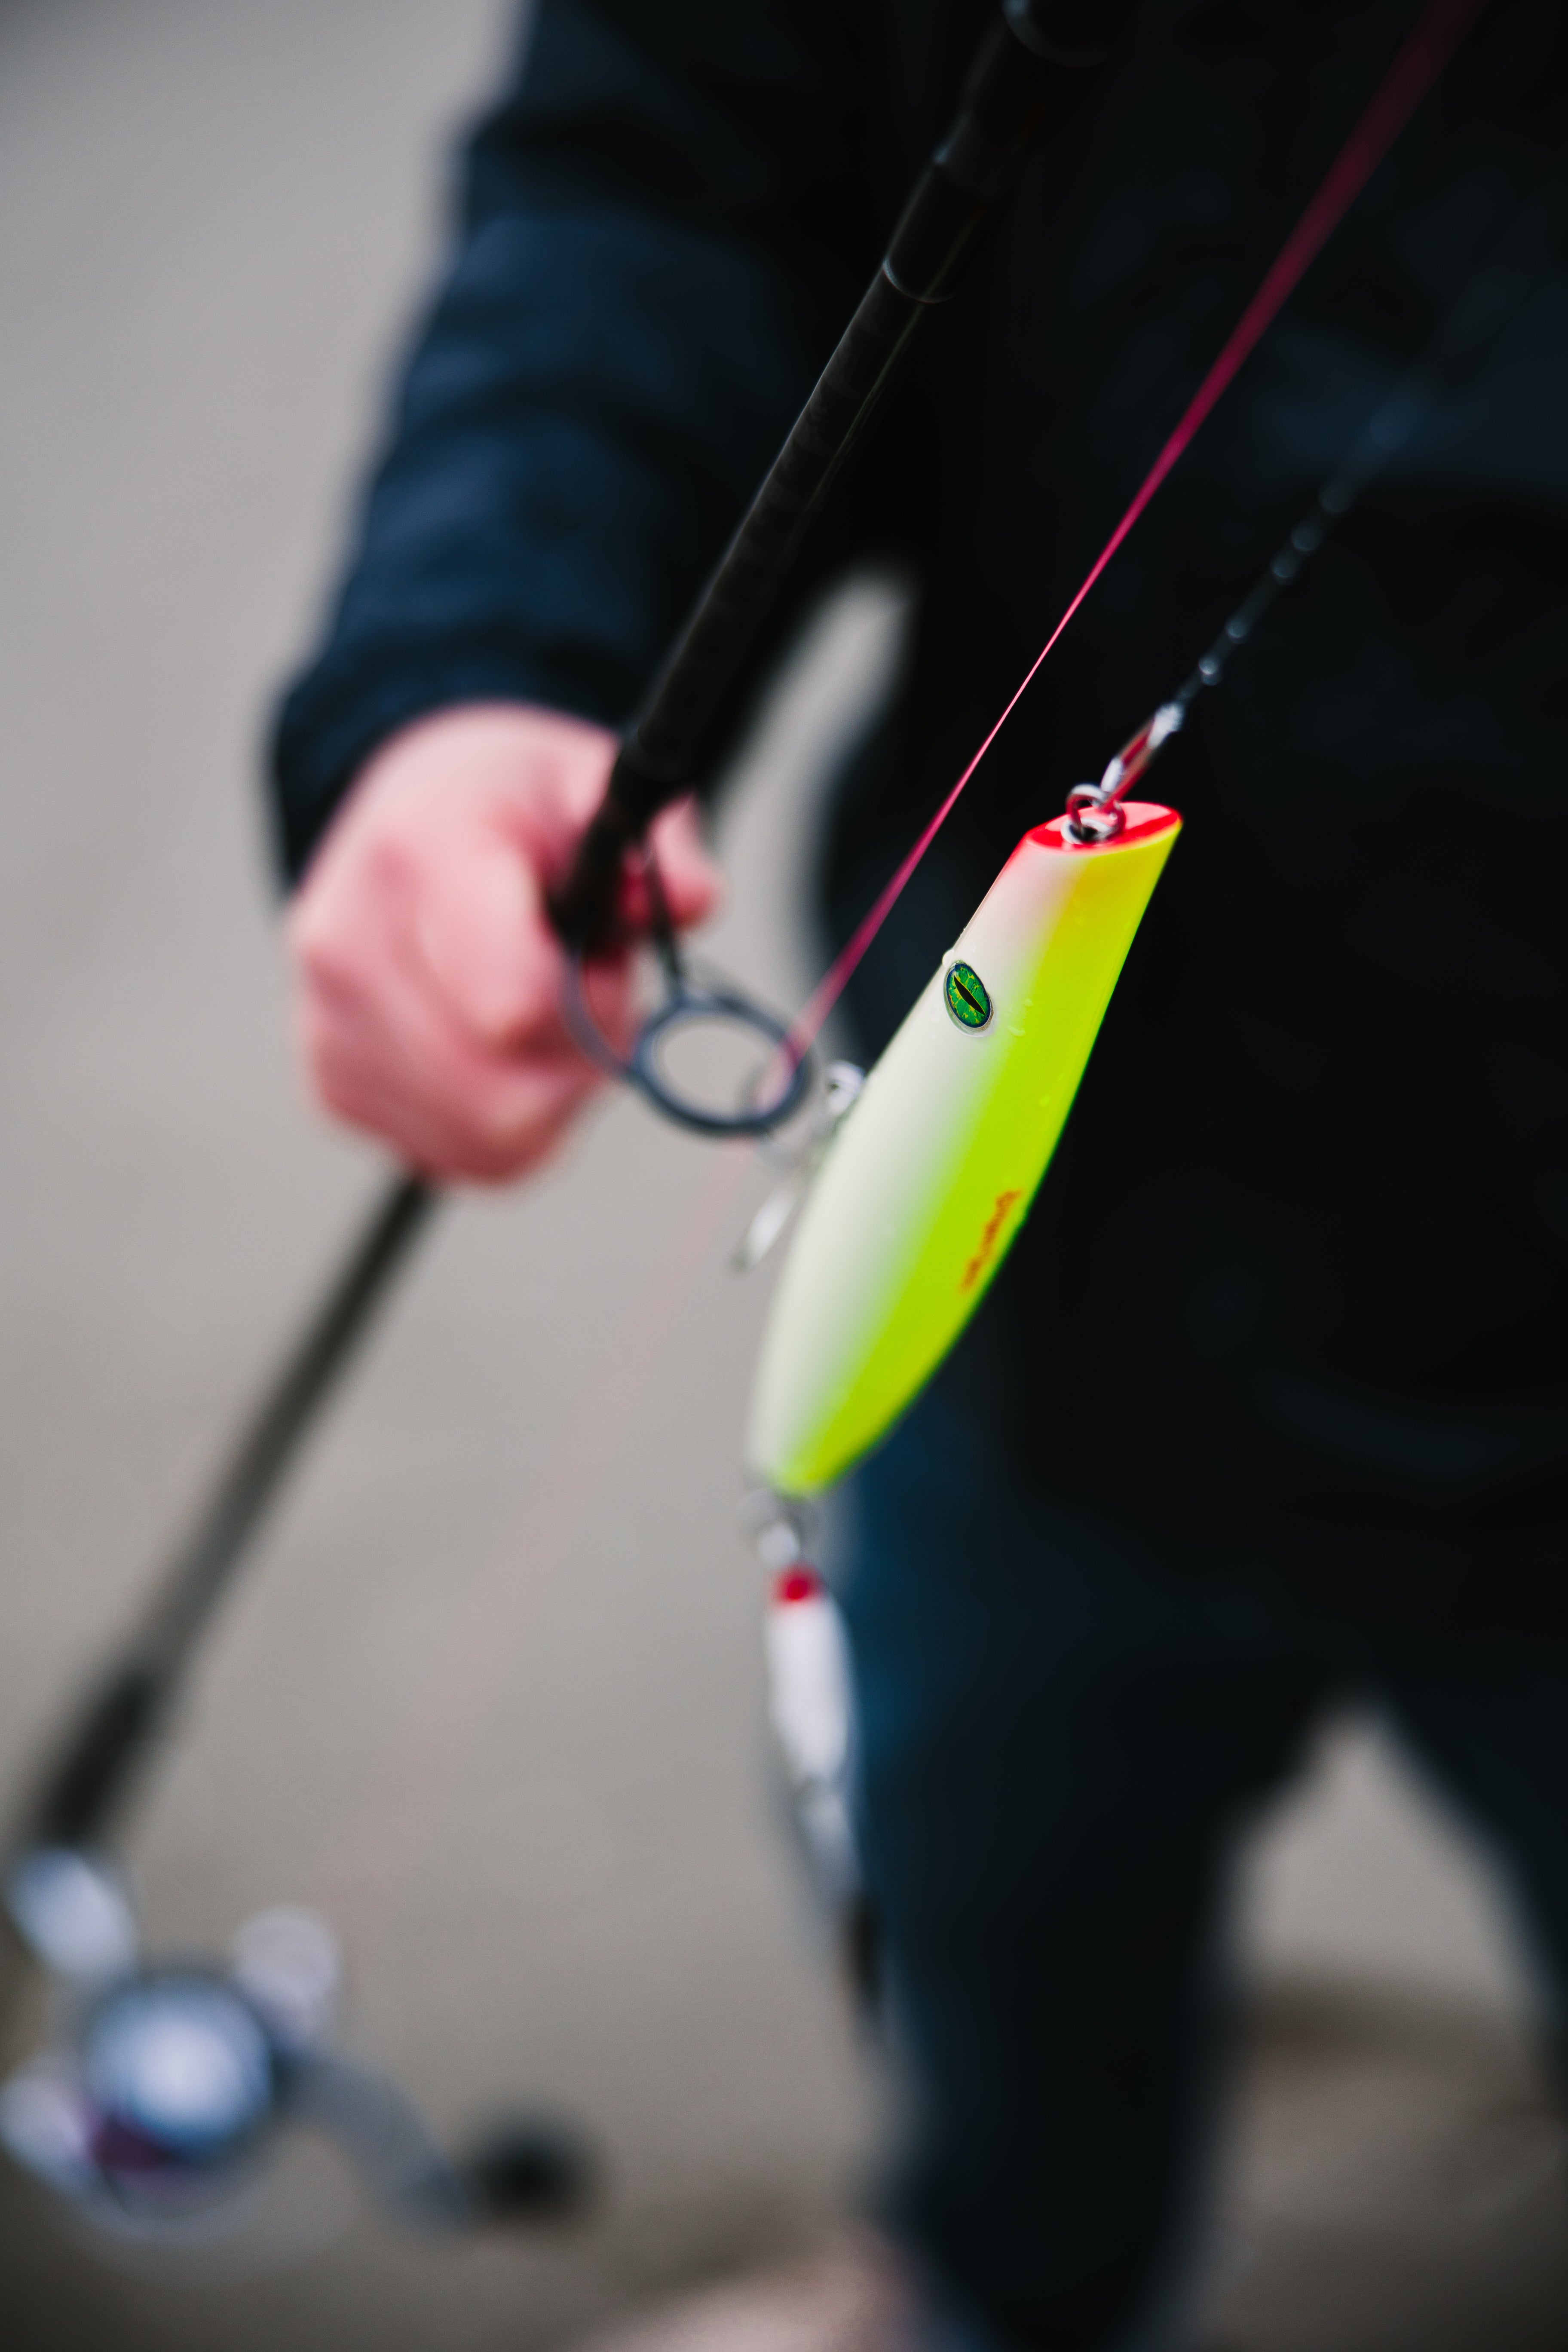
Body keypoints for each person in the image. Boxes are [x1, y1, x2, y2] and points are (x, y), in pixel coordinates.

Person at [270, 3, 1568, 2344]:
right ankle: (991, 2277)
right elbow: (675, 162)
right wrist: (481, 661)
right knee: (983, 1908)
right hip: (1041, 1336)